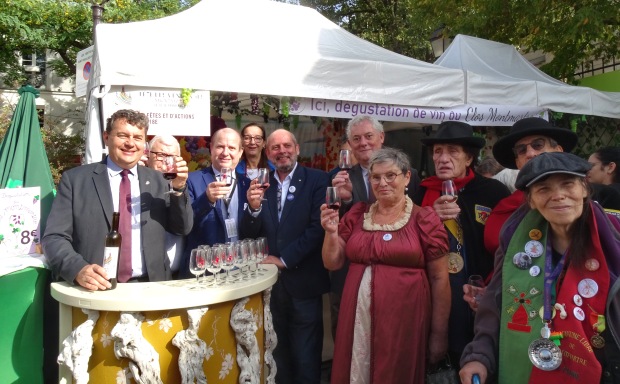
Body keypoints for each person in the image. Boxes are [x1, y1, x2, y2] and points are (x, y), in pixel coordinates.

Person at [459, 152, 620, 384]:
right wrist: (479, 356)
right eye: (544, 189)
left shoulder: (613, 243)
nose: (558, 196)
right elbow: (496, 303)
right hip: (527, 367)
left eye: (568, 184)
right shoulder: (515, 241)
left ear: (584, 188)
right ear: (531, 200)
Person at [321, 147, 450, 383]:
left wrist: (438, 334)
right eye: (376, 177)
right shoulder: (358, 215)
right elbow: (333, 262)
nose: (383, 183)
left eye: (391, 175)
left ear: (407, 177)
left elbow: (440, 279)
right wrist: (330, 232)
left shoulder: (424, 219)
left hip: (404, 322)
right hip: (356, 318)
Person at [42, 109, 193, 289]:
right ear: (106, 137)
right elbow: (54, 237)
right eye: (122, 135)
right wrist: (78, 269)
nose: (130, 143)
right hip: (96, 287)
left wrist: (178, 189)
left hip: (152, 287)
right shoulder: (75, 181)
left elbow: (182, 228)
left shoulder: (158, 180)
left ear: (144, 145)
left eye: (137, 138)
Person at [413, 121, 511, 364]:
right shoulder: (419, 192)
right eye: (437, 152)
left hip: (480, 292)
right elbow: (406, 242)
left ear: (468, 159)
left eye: (452, 151)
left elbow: (506, 243)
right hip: (434, 292)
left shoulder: (492, 191)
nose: (443, 158)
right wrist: (429, 217)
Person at [242, 129, 330, 384]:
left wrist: (284, 259)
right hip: (270, 286)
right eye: (275, 147)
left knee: (306, 356)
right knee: (276, 354)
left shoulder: (317, 180)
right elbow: (250, 232)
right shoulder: (260, 183)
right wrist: (253, 208)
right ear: (268, 153)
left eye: (287, 145)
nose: (282, 151)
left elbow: (318, 228)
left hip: (304, 283)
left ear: (297, 149)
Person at [329, 115, 421, 339]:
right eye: (356, 138)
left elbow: (411, 218)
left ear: (381, 137)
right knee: (348, 332)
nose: (363, 143)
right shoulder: (336, 177)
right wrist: (347, 201)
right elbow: (333, 225)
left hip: (395, 273)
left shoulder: (409, 175)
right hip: (351, 270)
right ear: (350, 144)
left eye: (369, 136)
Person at [179, 127, 250, 277]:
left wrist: (255, 210)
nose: (225, 153)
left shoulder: (247, 185)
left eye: (231, 148)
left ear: (240, 152)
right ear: (211, 148)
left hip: (240, 269)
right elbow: (185, 223)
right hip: (204, 270)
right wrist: (206, 200)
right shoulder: (192, 180)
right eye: (220, 146)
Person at [146, 135, 185, 275]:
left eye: (172, 156)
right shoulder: (136, 185)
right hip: (149, 274)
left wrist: (178, 190)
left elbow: (184, 227)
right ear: (148, 155)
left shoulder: (182, 185)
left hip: (179, 274)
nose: (166, 161)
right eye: (161, 155)